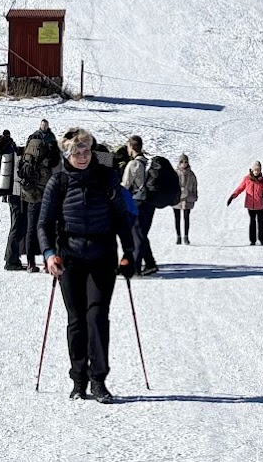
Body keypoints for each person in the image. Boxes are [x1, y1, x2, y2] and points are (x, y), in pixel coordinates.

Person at [38, 128, 137, 403]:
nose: (82, 156)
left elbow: (121, 217)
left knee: (96, 317)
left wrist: (128, 253)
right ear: (66, 154)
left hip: (102, 256)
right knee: (76, 320)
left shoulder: (106, 177)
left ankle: (98, 380)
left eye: (86, 150)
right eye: (76, 152)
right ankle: (78, 379)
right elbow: (44, 223)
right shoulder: (57, 182)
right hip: (69, 257)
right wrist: (48, 254)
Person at [19, 120, 62, 270]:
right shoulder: (50, 141)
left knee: (31, 228)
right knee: (46, 227)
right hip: (45, 192)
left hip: (30, 192)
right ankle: (46, 260)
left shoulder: (31, 141)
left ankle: (30, 262)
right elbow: (55, 164)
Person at [120, 135, 159, 275]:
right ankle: (150, 263)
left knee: (136, 233)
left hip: (138, 202)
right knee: (141, 233)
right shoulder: (147, 162)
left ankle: (135, 268)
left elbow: (125, 186)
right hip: (150, 202)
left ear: (131, 147)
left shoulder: (133, 164)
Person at [0, 129, 24, 270]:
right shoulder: (10, 151)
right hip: (15, 193)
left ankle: (10, 257)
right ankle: (11, 261)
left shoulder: (2, 152)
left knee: (15, 226)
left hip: (10, 193)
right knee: (17, 227)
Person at [227, 161, 263, 245]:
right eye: (255, 170)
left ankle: (261, 239)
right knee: (252, 222)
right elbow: (240, 188)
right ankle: (252, 240)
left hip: (259, 205)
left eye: (258, 170)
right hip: (250, 205)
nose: (256, 172)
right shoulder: (247, 179)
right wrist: (233, 196)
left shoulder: (262, 180)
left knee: (260, 221)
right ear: (252, 170)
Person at [173, 154, 198, 245]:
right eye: (182, 161)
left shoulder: (191, 174)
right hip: (177, 198)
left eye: (185, 162)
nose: (184, 163)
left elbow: (194, 186)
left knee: (186, 217)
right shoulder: (175, 173)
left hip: (188, 198)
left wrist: (194, 195)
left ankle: (186, 236)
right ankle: (178, 236)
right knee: (177, 217)